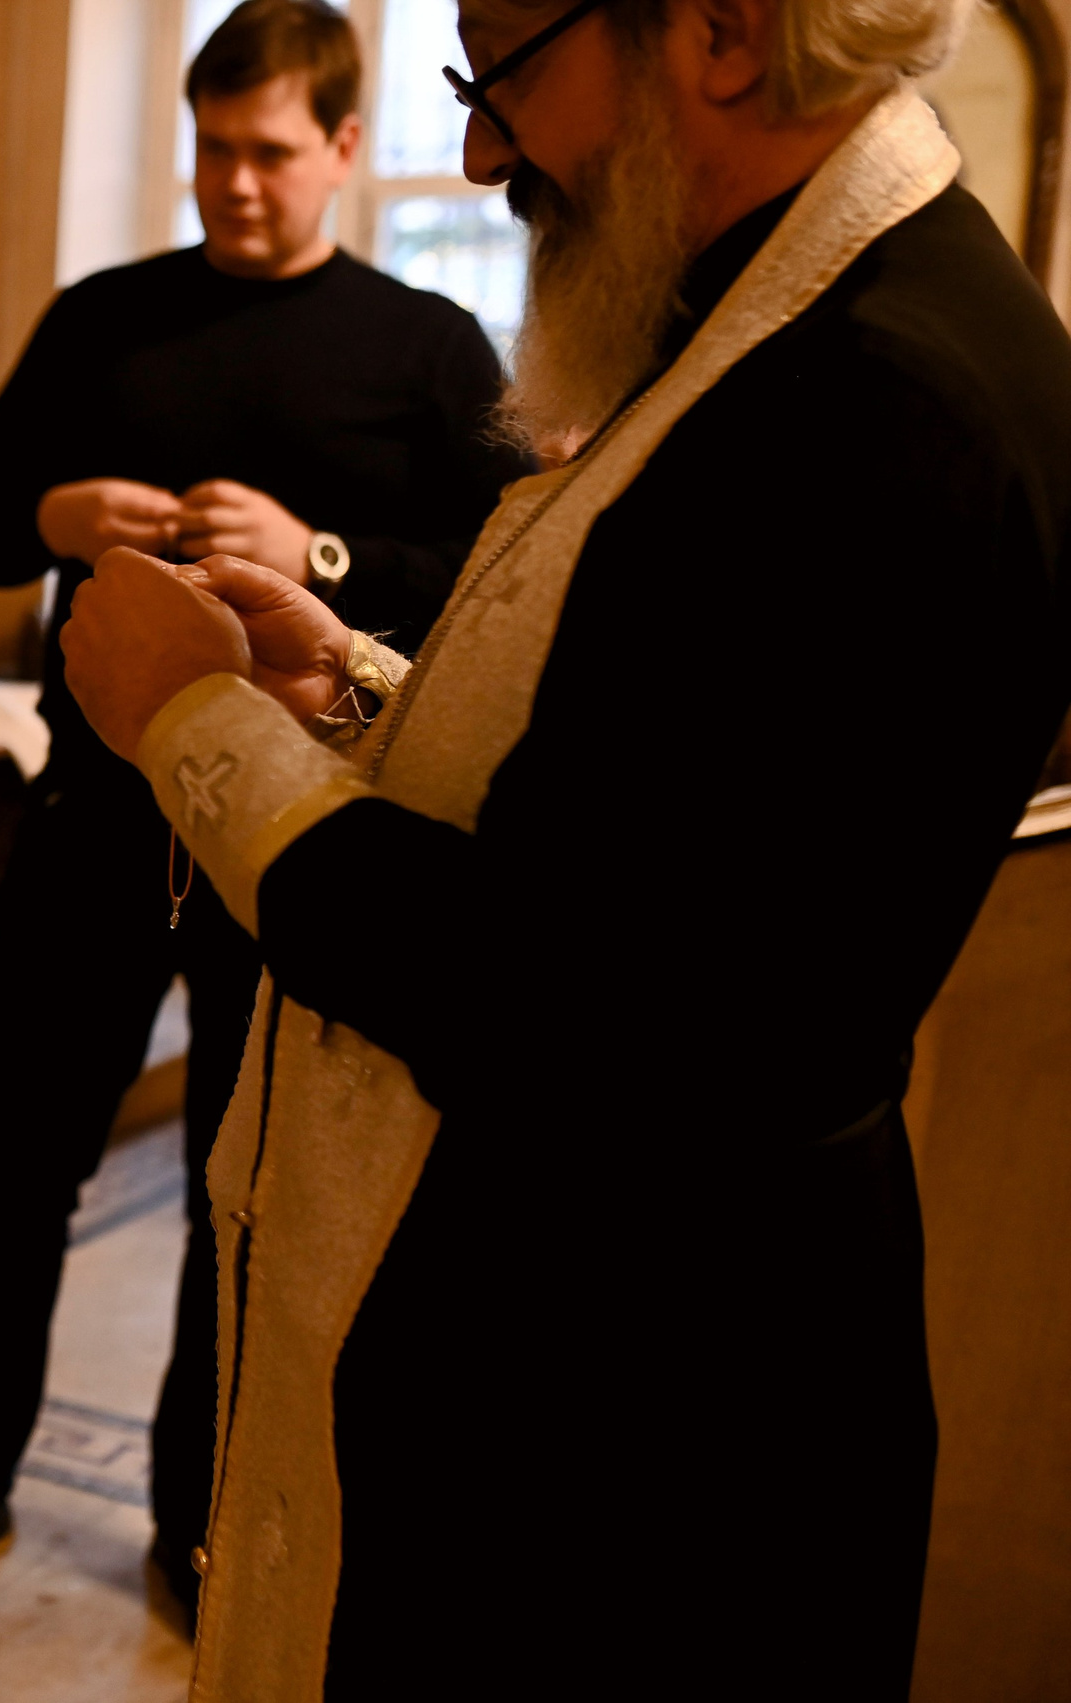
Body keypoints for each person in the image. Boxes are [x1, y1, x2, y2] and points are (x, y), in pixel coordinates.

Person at [58, 0, 1071, 1692]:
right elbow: (648, 792)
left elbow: (573, 995)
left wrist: (194, 723)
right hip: (634, 1348)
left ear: (726, 38)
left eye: (500, 70)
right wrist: (357, 681)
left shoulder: (872, 402)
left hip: (639, 1431)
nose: (475, 151)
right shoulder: (812, 319)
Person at [0, 0, 527, 1616]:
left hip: (284, 827)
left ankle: (194, 1513)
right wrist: (54, 507)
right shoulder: (104, 320)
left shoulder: (425, 348)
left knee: (236, 1179)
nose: (235, 184)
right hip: (91, 815)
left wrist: (320, 557)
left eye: (270, 152)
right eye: (211, 149)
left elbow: (486, 585)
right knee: (12, 1166)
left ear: (345, 149)